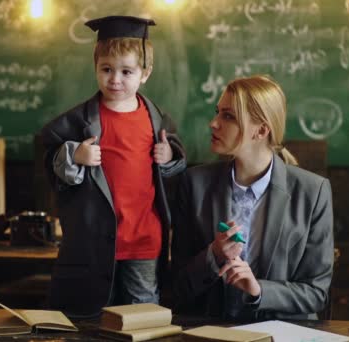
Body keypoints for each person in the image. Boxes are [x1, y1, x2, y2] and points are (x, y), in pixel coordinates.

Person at [40, 15, 186, 318]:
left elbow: (176, 167)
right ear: (95, 67)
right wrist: (75, 155)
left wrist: (169, 154)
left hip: (144, 240)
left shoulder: (156, 119)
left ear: (145, 73)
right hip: (92, 242)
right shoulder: (78, 122)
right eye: (106, 69)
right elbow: (51, 158)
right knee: (90, 318)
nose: (115, 79)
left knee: (142, 319)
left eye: (126, 71)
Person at [170, 75, 333, 321]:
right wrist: (213, 255)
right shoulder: (194, 184)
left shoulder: (313, 192)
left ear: (261, 130)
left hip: (279, 333)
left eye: (228, 116)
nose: (213, 123)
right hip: (211, 332)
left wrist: (259, 291)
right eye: (217, 112)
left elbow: (316, 292)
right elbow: (176, 287)